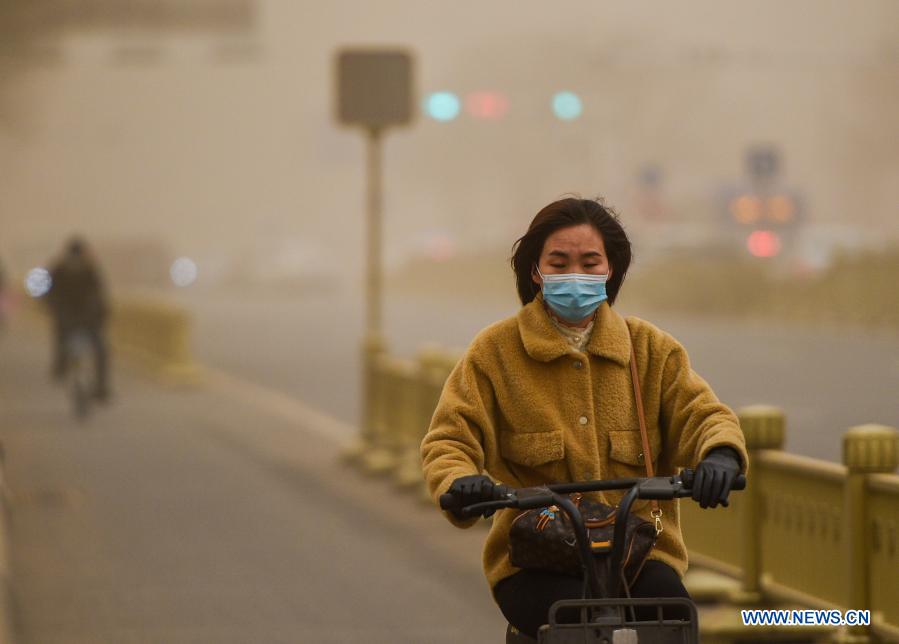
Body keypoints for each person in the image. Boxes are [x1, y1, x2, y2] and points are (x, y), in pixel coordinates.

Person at [420, 197, 747, 638]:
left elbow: (702, 414)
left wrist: (721, 455)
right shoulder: (494, 353)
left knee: (674, 618)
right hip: (534, 559)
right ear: (535, 270)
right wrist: (459, 482)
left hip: (638, 556)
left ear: (611, 269)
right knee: (573, 624)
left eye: (590, 261)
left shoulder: (652, 351)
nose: (575, 273)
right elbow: (449, 439)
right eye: (559, 262)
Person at [45, 237, 110, 400]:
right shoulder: (89, 268)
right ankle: (101, 387)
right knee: (101, 350)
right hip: (85, 318)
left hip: (72, 317)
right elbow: (100, 296)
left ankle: (60, 367)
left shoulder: (60, 268)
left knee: (61, 340)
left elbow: (50, 295)